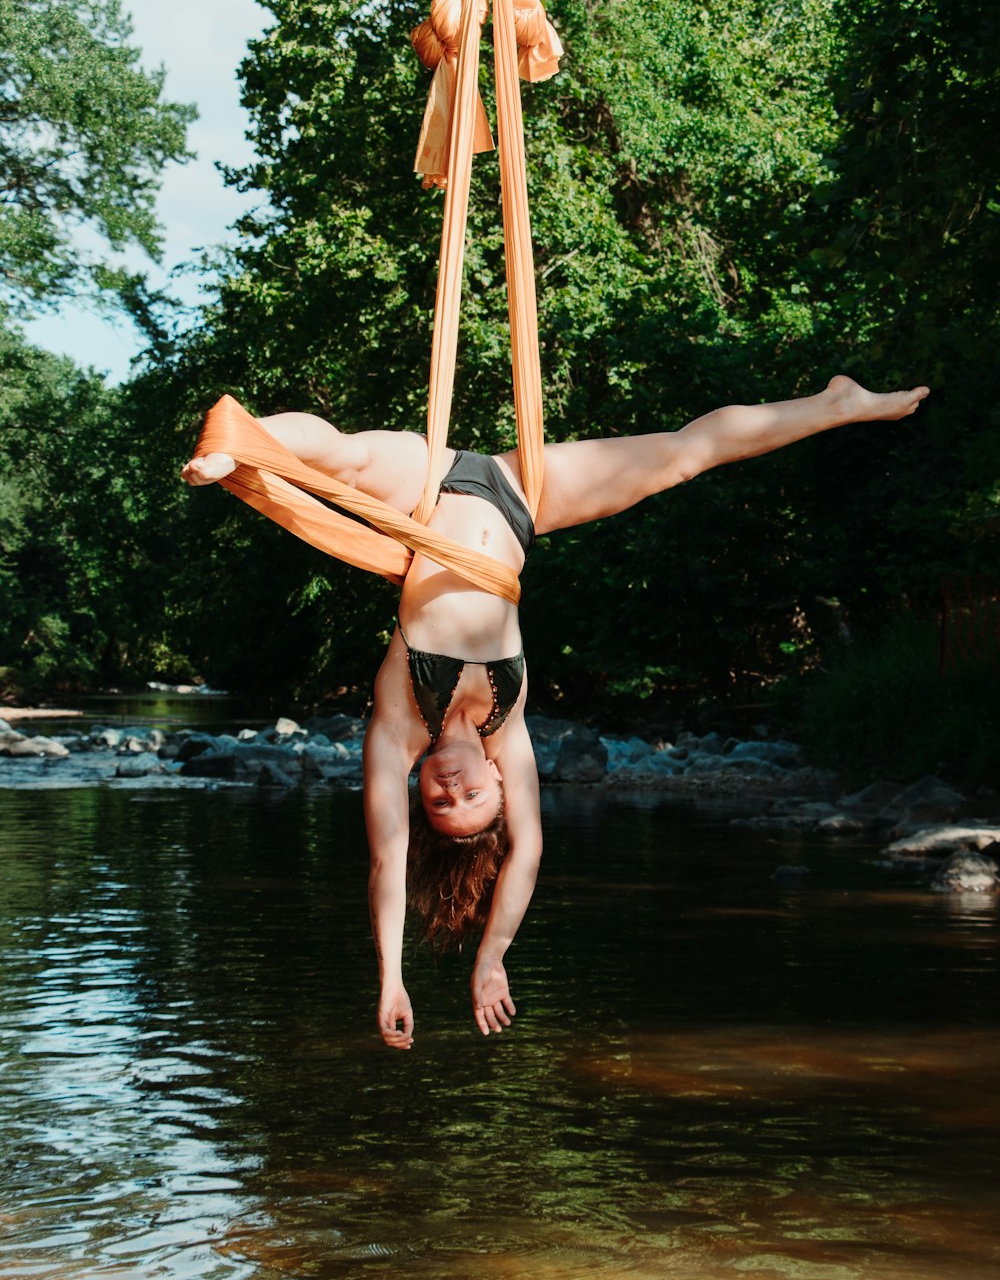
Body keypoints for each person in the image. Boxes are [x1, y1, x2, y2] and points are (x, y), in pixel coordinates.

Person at [182, 374, 927, 1049]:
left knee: (337, 458)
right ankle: (837, 407)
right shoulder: (510, 738)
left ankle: (241, 446)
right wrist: (492, 956)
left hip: (428, 488)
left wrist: (390, 977)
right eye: (473, 798)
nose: (453, 786)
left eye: (441, 800)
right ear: (501, 788)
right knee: (684, 455)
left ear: (420, 791)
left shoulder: (399, 726)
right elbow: (527, 854)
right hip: (519, 497)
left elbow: (386, 860)